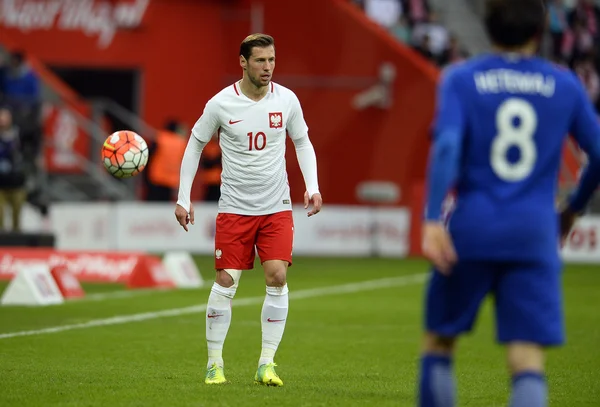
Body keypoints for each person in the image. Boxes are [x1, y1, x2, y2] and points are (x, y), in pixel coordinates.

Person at [418, 1, 600, 406]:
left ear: (489, 27)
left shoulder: (461, 78)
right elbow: (599, 153)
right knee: (527, 357)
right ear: (540, 32)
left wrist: (432, 217)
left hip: (472, 229)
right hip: (535, 233)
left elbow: (447, 145)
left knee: (440, 341)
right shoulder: (564, 84)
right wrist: (572, 209)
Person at [174, 33, 322, 387]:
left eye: (271, 60)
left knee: (278, 276)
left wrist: (312, 186)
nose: (268, 67)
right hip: (235, 208)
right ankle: (214, 364)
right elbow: (194, 145)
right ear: (243, 62)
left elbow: (302, 141)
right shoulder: (221, 103)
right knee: (226, 282)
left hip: (276, 207)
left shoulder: (286, 100)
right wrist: (183, 196)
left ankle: (266, 364)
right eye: (260, 61)